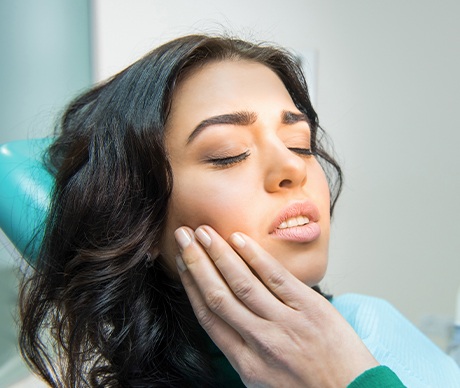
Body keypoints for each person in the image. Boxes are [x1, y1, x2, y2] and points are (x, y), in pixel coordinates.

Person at [18, 34, 459, 387]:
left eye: (300, 144)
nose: (292, 166)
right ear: (142, 221)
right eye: (227, 154)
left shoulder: (374, 324)